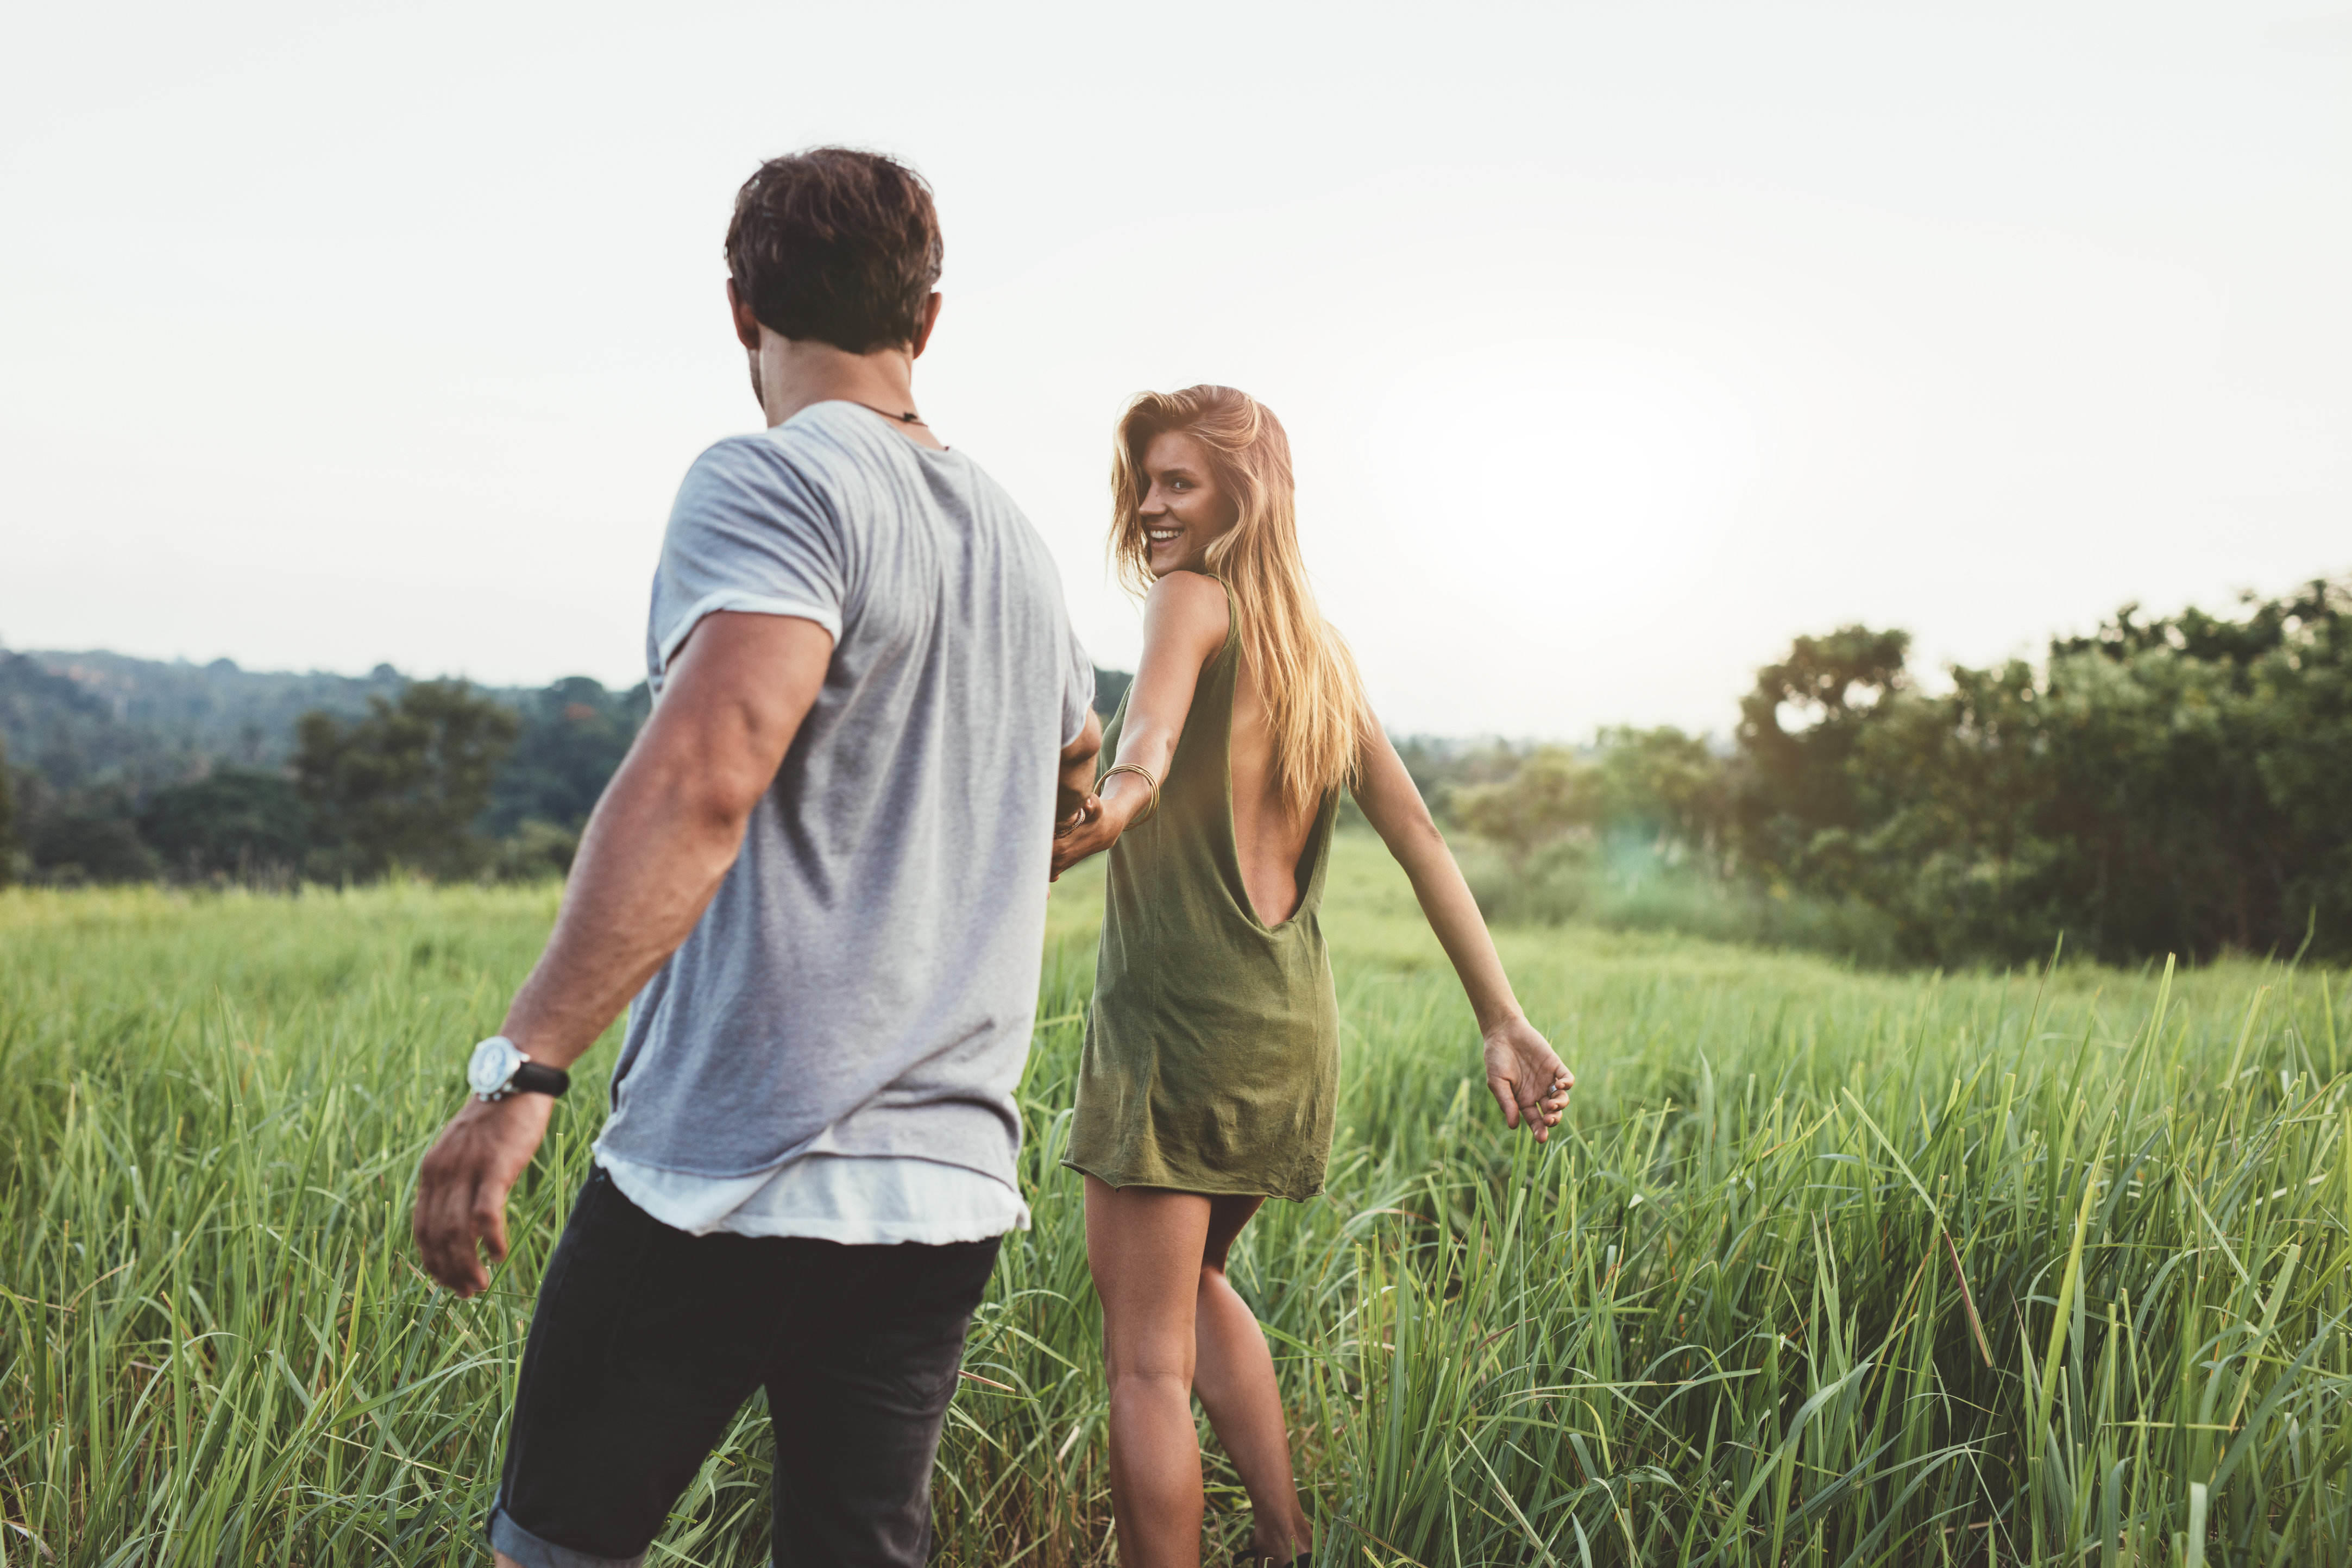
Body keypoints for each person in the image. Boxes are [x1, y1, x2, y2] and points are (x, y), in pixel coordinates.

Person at [410, 147, 1101, 1568]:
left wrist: (523, 1068)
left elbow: (706, 777)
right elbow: (1070, 800)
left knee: (556, 1550)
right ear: (929, 317)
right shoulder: (1027, 555)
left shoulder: (775, 483)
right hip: (942, 1191)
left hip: (725, 1175)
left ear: (742, 313)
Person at [1050, 386, 1575, 1568]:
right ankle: (1283, 1543)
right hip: (1285, 1033)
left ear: (1243, 496)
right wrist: (1502, 1017)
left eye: (1178, 482)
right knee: (1196, 1286)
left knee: (1143, 1362)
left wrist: (1101, 810)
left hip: (1176, 1028)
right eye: (1145, 482)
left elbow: (1145, 749)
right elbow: (1422, 837)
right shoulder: (1317, 655)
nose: (1150, 506)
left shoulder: (1188, 603)